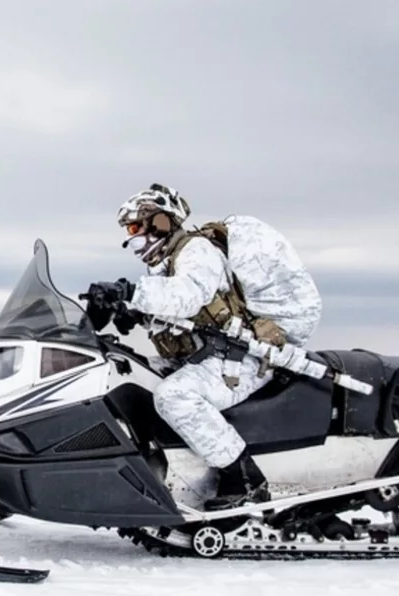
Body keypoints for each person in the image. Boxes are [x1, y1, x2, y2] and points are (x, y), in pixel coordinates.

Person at [113, 184, 322, 509]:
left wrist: (130, 293)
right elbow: (185, 316)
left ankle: (245, 479)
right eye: (129, 229)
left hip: (244, 359)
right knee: (138, 374)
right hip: (213, 355)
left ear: (161, 222)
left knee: (174, 396)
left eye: (137, 227)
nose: (133, 237)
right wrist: (129, 313)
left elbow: (189, 294)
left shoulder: (196, 251)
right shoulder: (169, 261)